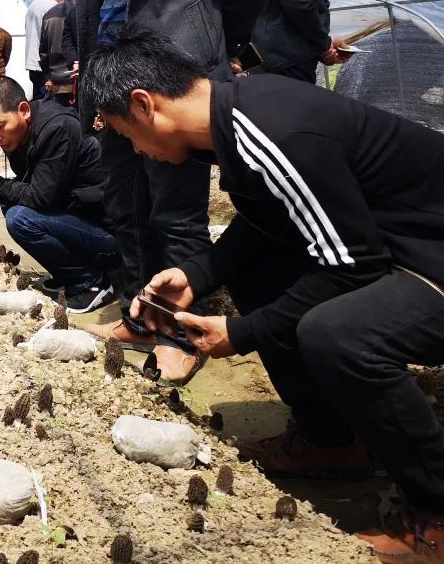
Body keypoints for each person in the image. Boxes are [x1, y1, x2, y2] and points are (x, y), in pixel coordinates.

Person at [81, 32, 444, 563]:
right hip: (401, 247)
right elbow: (270, 227)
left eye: (126, 134)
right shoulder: (241, 118)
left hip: (429, 257)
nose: (136, 150)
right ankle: (332, 441)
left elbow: (353, 264)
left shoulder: (272, 130)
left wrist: (243, 333)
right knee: (261, 272)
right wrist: (197, 274)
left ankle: (434, 512)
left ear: (144, 104)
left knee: (339, 335)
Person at [70, 0, 270, 383]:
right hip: (113, 86)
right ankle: (140, 312)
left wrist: (203, 58)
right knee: (124, 205)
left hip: (170, 84)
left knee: (176, 210)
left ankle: (186, 327)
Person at [0, 76, 119, 312]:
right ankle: (71, 272)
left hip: (111, 235)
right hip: (81, 216)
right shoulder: (22, 134)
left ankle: (90, 283)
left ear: (23, 110)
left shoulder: (57, 128)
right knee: (10, 204)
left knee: (19, 218)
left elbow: (42, 197)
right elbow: (38, 185)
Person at [23, 0, 61, 99]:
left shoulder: (33, 5)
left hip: (34, 64)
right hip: (46, 66)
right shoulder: (52, 6)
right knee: (49, 104)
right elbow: (55, 38)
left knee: (39, 102)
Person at [40, 0, 76, 106]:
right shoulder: (86, 11)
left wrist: (50, 75)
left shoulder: (50, 14)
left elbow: (43, 52)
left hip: (57, 82)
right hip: (79, 80)